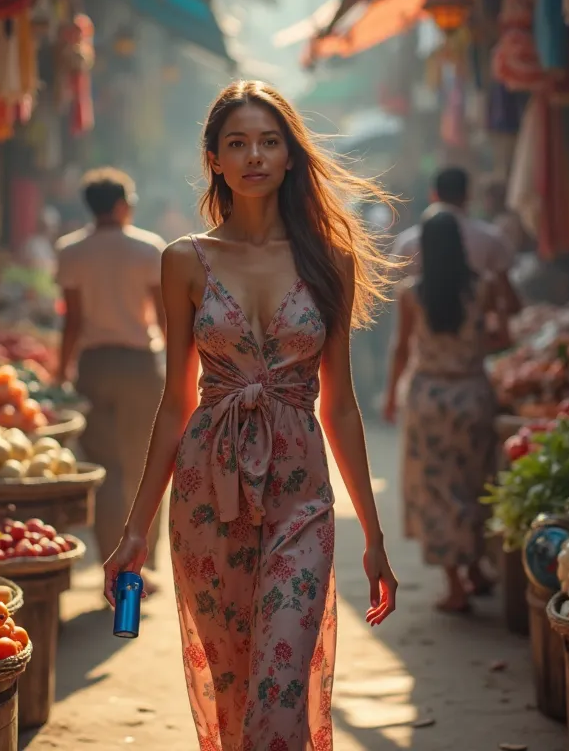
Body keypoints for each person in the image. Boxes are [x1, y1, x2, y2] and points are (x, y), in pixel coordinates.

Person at [104, 80, 397, 750]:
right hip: (209, 491)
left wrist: (374, 536)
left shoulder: (332, 259)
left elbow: (343, 406)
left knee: (278, 688)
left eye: (269, 141)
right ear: (214, 159)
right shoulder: (183, 260)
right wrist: (133, 531)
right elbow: (176, 402)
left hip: (302, 494)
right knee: (234, 686)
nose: (254, 155)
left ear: (291, 156)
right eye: (237, 143)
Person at [384, 209, 506, 614]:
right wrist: (470, 351)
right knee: (474, 484)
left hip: (429, 399)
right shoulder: (483, 288)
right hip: (472, 396)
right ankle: (475, 569)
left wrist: (388, 396)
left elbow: (401, 350)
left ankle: (456, 584)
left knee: (439, 491)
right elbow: (501, 335)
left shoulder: (411, 295)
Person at [55, 169, 166, 586]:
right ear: (122, 205)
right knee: (143, 466)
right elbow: (164, 315)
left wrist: (61, 370)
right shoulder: (147, 248)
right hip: (140, 365)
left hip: (94, 366)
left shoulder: (71, 250)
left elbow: (72, 322)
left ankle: (111, 563)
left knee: (104, 471)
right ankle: (144, 564)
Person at [393, 166, 521, 313]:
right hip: (475, 332)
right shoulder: (490, 238)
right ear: (467, 195)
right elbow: (510, 301)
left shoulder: (406, 243)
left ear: (433, 195)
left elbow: (399, 302)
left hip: (424, 333)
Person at [20, 206, 60, 277]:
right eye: (51, 227)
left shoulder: (48, 244)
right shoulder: (33, 243)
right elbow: (31, 264)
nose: (52, 230)